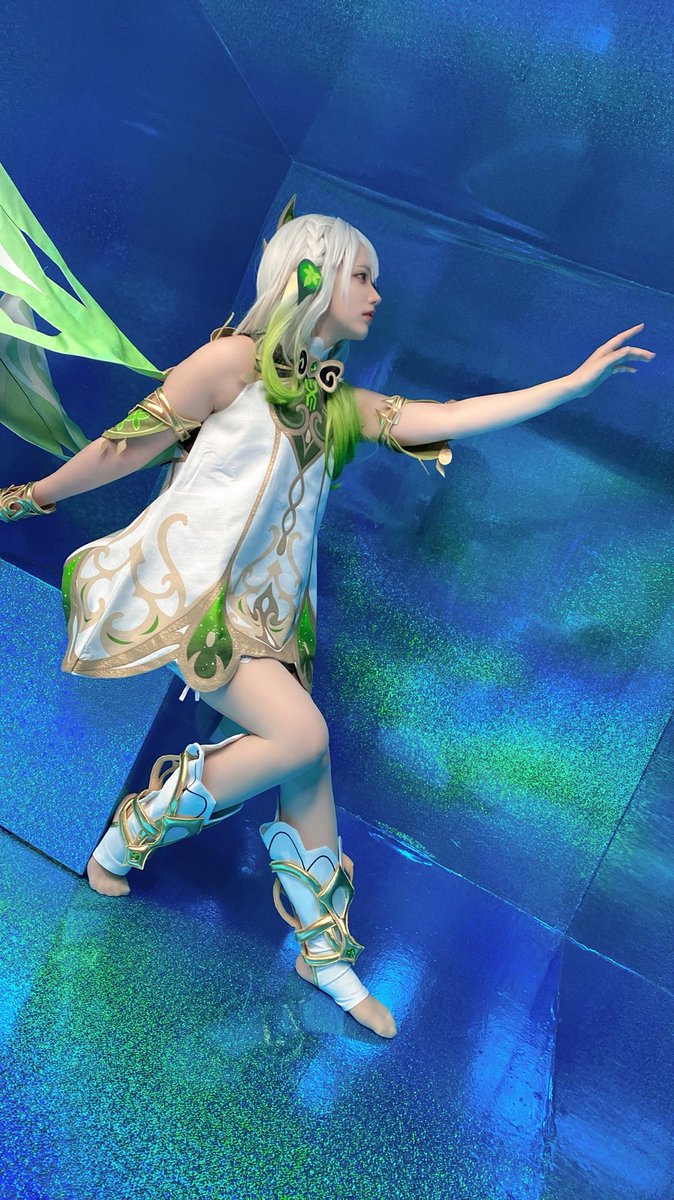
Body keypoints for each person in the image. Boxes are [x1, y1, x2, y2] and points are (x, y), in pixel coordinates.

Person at [0, 184, 655, 1041]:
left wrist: (568, 388)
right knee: (304, 736)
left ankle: (324, 954)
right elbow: (128, 446)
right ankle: (131, 834)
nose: (376, 294)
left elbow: (449, 416)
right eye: (362, 276)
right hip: (200, 604)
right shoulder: (230, 364)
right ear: (310, 275)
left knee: (308, 767)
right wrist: (34, 494)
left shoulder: (336, 406)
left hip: (270, 623)